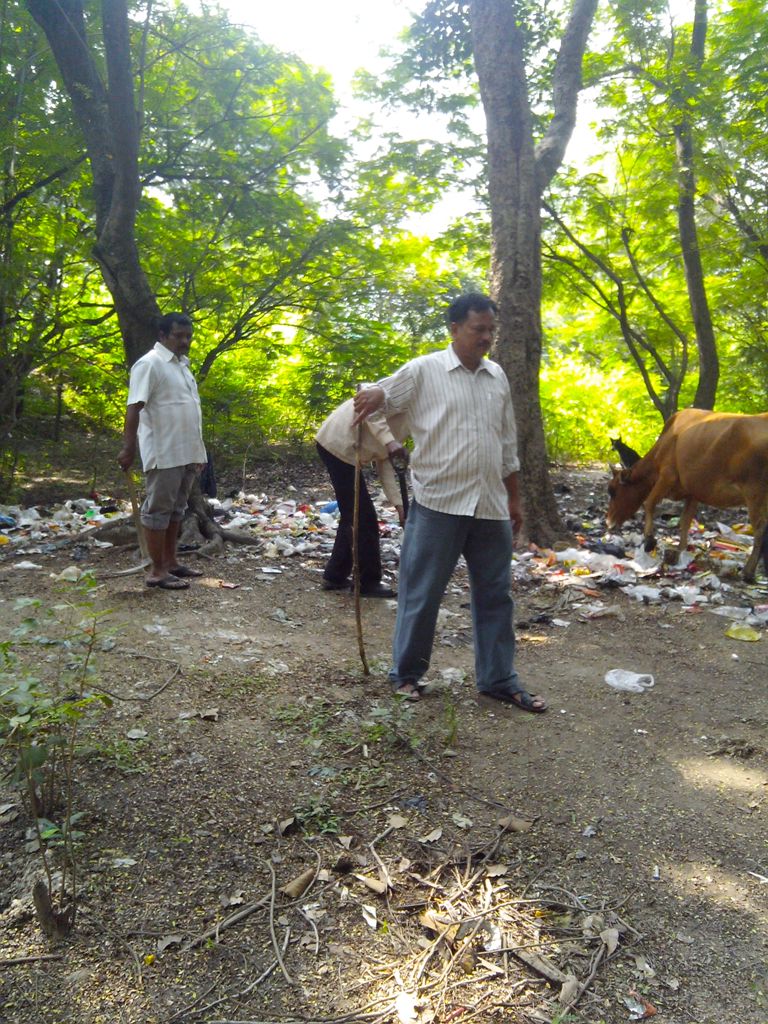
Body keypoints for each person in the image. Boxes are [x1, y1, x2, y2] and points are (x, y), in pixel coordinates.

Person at [353, 292, 547, 712]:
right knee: (422, 591)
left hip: (491, 505)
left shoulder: (497, 377)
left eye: (491, 330)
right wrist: (374, 403)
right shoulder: (425, 370)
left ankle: (497, 678)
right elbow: (375, 396)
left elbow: (508, 443)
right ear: (455, 329)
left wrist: (515, 501)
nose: (486, 337)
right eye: (479, 329)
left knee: (496, 594)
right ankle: (406, 675)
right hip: (439, 501)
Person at [117, 313, 207, 590]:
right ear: (162, 335)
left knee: (177, 511)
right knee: (158, 511)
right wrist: (129, 447)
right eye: (178, 336)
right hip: (164, 451)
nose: (185, 341)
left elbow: (190, 411)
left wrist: (199, 454)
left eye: (188, 336)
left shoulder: (183, 366)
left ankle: (171, 562)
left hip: (187, 451)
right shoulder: (149, 364)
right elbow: (134, 407)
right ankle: (157, 571)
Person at [316, 397, 409, 598]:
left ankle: (335, 574)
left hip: (346, 450)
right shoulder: (405, 398)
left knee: (353, 513)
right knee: (363, 517)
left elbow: (385, 461)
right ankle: (367, 582)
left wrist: (399, 507)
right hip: (338, 445)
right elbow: (371, 411)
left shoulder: (409, 424)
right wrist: (390, 442)